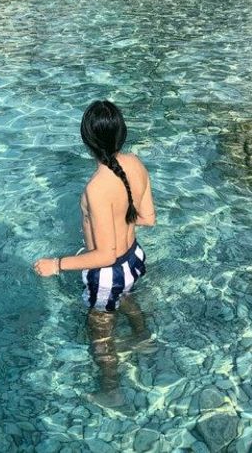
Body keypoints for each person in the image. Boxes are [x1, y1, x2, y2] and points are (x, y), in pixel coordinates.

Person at [33, 100, 156, 406]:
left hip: (108, 272)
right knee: (125, 294)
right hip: (134, 258)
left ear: (87, 140)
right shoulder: (135, 163)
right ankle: (142, 339)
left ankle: (111, 390)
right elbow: (148, 218)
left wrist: (56, 264)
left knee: (100, 328)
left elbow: (104, 256)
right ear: (122, 133)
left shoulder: (96, 187)